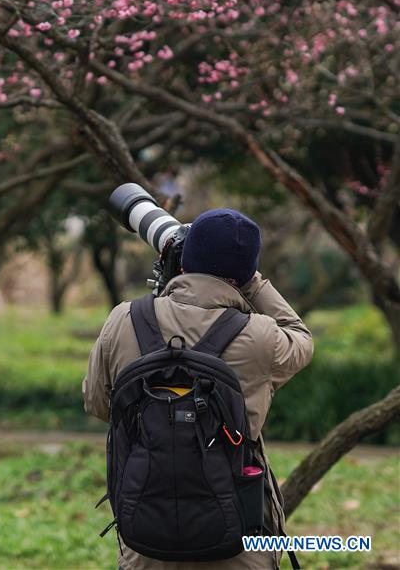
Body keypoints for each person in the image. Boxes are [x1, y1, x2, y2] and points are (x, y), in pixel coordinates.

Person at [83, 207, 314, 570]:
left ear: (183, 262)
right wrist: (253, 282)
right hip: (238, 542)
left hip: (146, 541)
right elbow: (301, 337)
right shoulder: (262, 336)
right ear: (242, 276)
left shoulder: (123, 319)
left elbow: (99, 405)